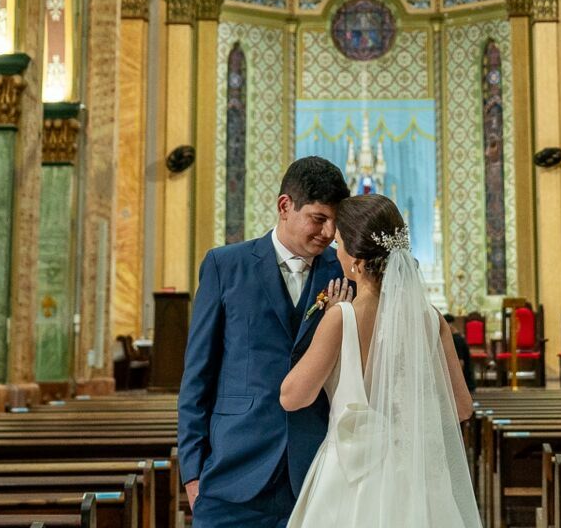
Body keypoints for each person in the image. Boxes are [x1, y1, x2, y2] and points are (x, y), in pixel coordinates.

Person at [279, 194, 478, 527]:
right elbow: (462, 408)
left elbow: (292, 396)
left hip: (351, 480)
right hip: (417, 480)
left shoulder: (341, 318)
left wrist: (325, 325)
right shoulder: (431, 319)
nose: (336, 252)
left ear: (356, 260)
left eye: (339, 244)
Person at [178, 157, 350, 527]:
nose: (329, 232)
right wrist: (192, 474)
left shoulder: (343, 271)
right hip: (233, 470)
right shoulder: (225, 266)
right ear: (285, 206)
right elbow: (197, 376)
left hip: (318, 469)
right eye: (319, 219)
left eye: (335, 222)